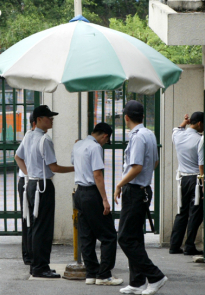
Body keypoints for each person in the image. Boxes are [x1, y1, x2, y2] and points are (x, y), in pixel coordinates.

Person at [14, 105, 74, 279]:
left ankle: (36, 265)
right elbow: (53, 167)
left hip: (31, 185)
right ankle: (41, 267)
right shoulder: (45, 140)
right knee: (43, 228)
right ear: (39, 119)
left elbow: (18, 157)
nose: (52, 119)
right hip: (43, 187)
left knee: (35, 226)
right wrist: (74, 168)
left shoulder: (28, 135)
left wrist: (29, 173)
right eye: (49, 117)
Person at [114, 100, 167, 295]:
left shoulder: (137, 137)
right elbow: (154, 162)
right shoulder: (149, 134)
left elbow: (136, 167)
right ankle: (137, 282)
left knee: (125, 238)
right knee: (134, 238)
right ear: (142, 116)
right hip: (142, 189)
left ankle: (155, 276)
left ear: (126, 117)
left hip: (135, 191)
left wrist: (120, 184)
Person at [72, 122, 123, 286]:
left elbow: (75, 165)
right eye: (106, 141)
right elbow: (97, 175)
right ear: (105, 136)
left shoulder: (78, 144)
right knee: (108, 235)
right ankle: (104, 275)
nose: (104, 144)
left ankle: (91, 273)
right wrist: (105, 200)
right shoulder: (95, 147)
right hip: (91, 194)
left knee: (86, 235)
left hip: (79, 192)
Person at [169, 112, 204, 256]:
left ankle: (174, 245)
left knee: (181, 213)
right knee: (195, 213)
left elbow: (176, 128)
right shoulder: (200, 140)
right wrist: (204, 186)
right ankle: (189, 245)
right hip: (196, 179)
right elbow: (201, 164)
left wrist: (184, 122)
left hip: (182, 179)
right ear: (200, 124)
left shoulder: (177, 136)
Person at [16, 113, 36, 265]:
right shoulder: (30, 136)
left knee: (31, 218)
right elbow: (17, 157)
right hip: (26, 182)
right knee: (28, 218)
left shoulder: (34, 137)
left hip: (28, 180)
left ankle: (30, 253)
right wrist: (29, 174)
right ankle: (28, 254)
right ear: (35, 123)